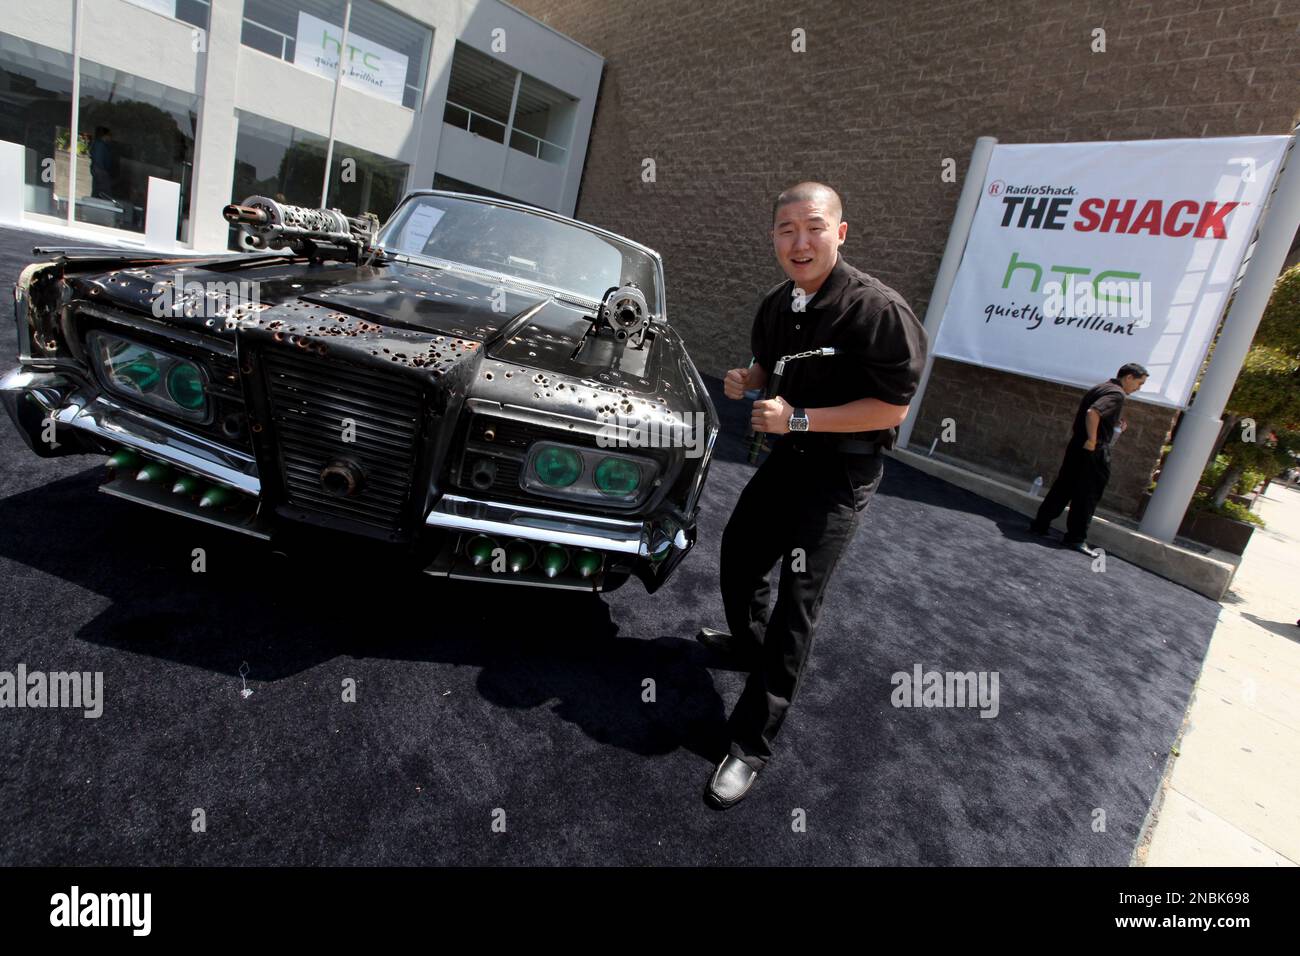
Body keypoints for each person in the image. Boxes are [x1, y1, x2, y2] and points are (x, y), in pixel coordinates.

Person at [700, 182, 928, 809]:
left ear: (840, 232)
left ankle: (750, 747)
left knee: (798, 603)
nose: (799, 242)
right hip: (787, 463)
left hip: (841, 478)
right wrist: (751, 379)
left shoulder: (878, 312)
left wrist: (797, 418)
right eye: (785, 230)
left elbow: (893, 408)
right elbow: (770, 369)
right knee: (740, 551)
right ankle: (748, 643)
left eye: (813, 227)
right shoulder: (777, 305)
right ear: (773, 237)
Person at [1029, 363, 1149, 555]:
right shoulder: (1117, 394)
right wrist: (1093, 440)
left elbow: (1096, 414)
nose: (1138, 388)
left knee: (1063, 487)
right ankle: (1076, 538)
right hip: (1092, 451)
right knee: (1087, 495)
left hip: (1077, 447)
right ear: (1128, 378)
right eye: (1139, 383)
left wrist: (1112, 425)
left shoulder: (1101, 387)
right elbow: (1093, 412)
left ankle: (1039, 525)